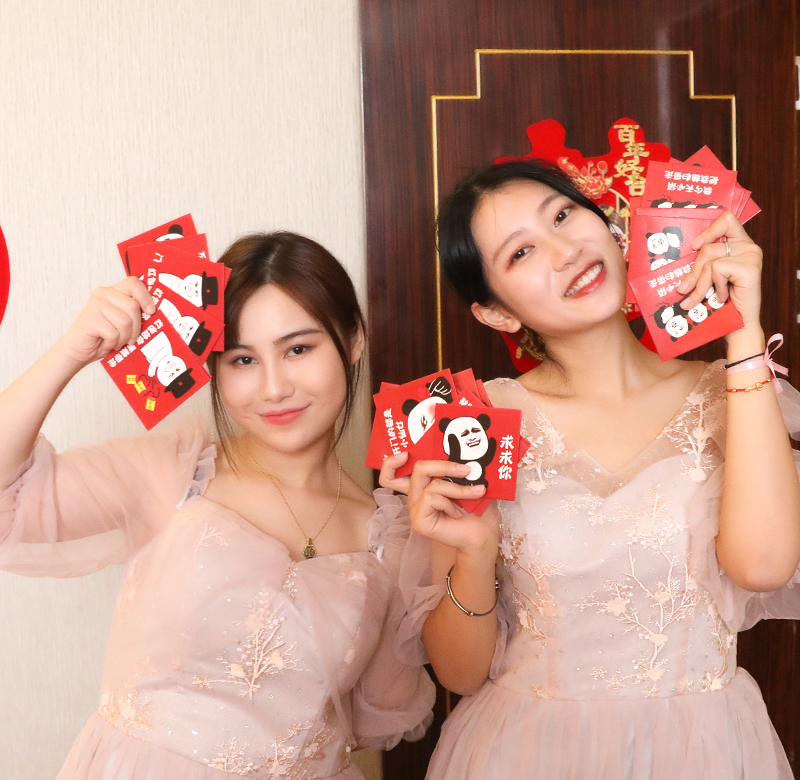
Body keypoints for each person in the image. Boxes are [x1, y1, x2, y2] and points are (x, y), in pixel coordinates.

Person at [381, 160, 800, 779]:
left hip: (703, 751)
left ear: (612, 226)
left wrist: (743, 332)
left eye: (563, 215)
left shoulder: (734, 392)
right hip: (526, 755)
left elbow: (764, 567)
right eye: (521, 252)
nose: (564, 251)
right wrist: (473, 552)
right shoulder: (475, 423)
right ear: (496, 314)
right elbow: (460, 674)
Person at [0, 231, 434, 779]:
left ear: (353, 342)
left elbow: (374, 713)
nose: (273, 388)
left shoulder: (389, 533)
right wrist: (72, 351)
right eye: (242, 359)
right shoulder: (176, 472)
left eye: (298, 349)